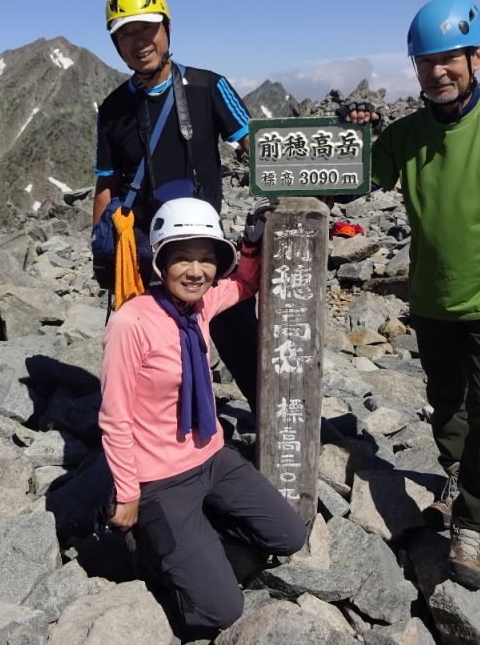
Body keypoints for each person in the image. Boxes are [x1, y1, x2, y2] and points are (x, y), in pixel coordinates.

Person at [343, 0, 480, 590]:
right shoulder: (408, 135)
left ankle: (474, 523)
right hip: (432, 300)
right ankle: (458, 473)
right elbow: (353, 182)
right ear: (414, 67)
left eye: (451, 59)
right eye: (426, 61)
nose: (439, 71)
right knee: (446, 406)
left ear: (477, 56)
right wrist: (349, 136)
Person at [99, 197, 306, 636]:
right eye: (182, 258)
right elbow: (114, 417)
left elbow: (245, 285)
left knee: (289, 535)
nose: (196, 271)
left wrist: (250, 245)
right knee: (221, 611)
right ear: (160, 261)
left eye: (207, 259)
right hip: (159, 480)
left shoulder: (200, 307)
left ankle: (194, 547)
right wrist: (126, 492)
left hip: (212, 458)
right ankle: (158, 558)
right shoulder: (130, 322)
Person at [93, 0, 261, 410]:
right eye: (126, 34)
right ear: (116, 44)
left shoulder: (208, 88)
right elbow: (106, 184)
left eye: (147, 28)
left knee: (235, 335)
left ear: (166, 30)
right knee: (158, 350)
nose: (139, 42)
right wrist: (102, 254)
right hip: (146, 255)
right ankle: (168, 438)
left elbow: (260, 151)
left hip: (205, 251)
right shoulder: (113, 110)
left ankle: (272, 420)